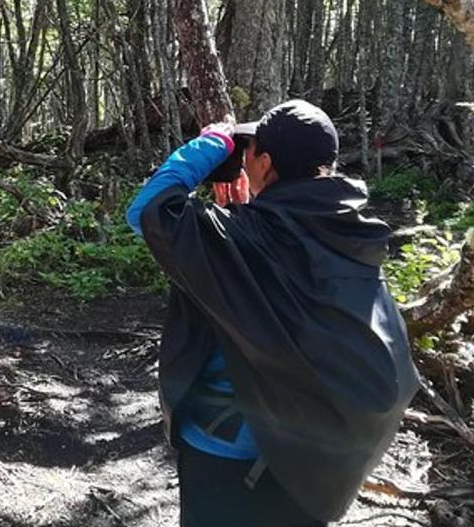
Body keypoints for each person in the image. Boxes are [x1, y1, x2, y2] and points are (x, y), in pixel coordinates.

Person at [126, 99, 418, 526]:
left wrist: (212, 144)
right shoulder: (351, 232)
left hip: (229, 454)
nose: (242, 162)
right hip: (314, 459)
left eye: (248, 151)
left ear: (264, 160)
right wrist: (245, 214)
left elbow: (148, 211)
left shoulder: (245, 236)